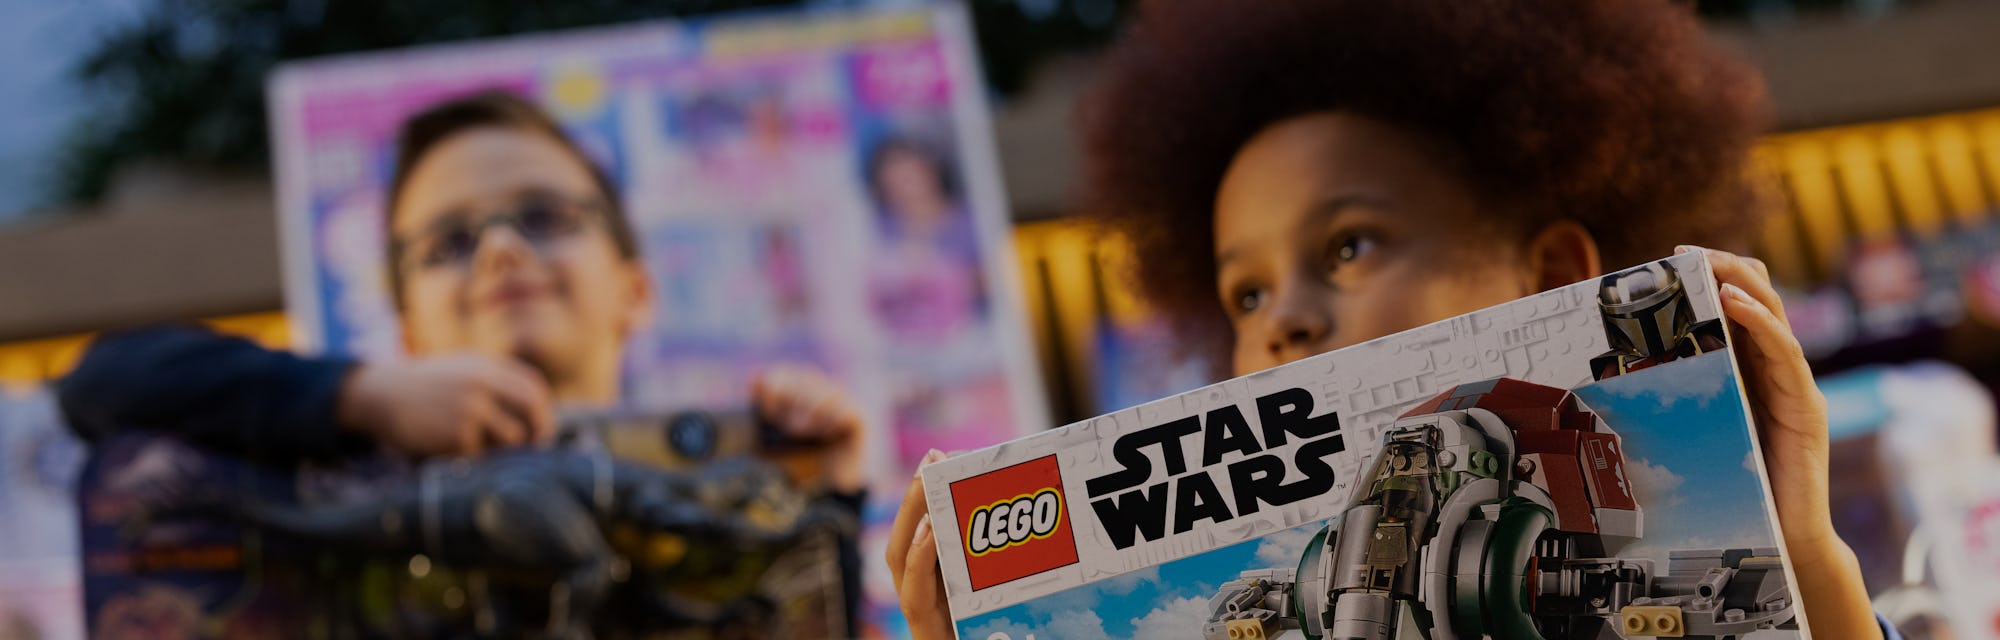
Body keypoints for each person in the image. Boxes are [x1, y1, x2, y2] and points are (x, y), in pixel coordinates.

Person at [885, 1, 1891, 639]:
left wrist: (1805, 566)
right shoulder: (1270, 596)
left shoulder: (1621, 565)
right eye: (1245, 293)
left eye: (1348, 246)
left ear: (1548, 276)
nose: (1282, 318)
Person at [59, 91, 868, 633]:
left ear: (634, 288)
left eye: (546, 217)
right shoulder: (340, 454)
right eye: (449, 243)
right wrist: (353, 395)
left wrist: (828, 500)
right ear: (405, 327)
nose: (502, 251)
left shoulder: (739, 470)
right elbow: (101, 384)